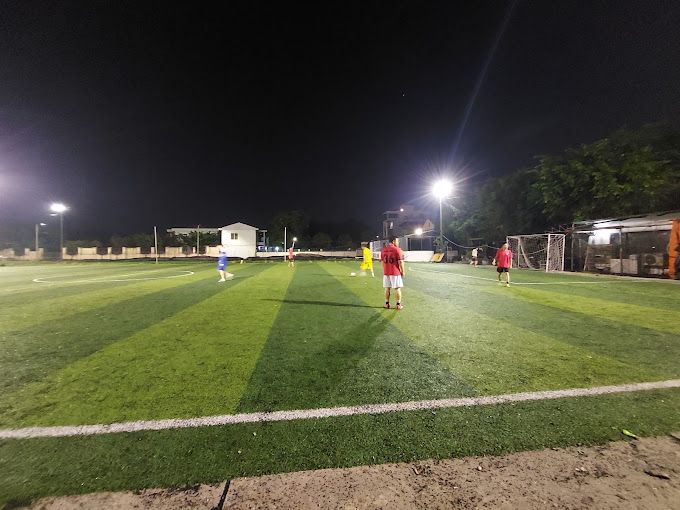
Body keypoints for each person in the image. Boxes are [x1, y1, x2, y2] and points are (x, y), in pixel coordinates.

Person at [380, 236, 406, 309]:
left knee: (387, 288)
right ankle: (398, 305)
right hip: (395, 272)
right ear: (394, 241)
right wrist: (403, 271)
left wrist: (385, 269)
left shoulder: (383, 250)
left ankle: (387, 304)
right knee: (397, 288)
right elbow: (400, 262)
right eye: (397, 241)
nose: (398, 242)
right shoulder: (397, 249)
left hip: (386, 272)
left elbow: (382, 262)